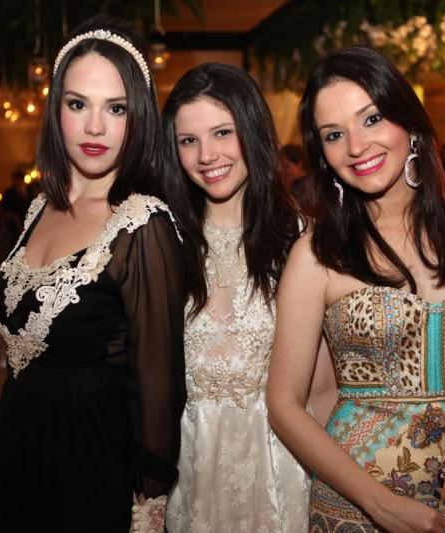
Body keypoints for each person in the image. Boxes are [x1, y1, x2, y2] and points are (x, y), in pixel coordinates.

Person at [267, 46, 445, 533]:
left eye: (371, 119)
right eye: (334, 134)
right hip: (357, 508)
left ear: (408, 120)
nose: (356, 146)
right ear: (322, 154)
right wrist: (382, 506)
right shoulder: (316, 253)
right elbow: (284, 405)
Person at [0, 15, 186, 532]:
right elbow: (30, 364)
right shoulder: (39, 207)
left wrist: (148, 505)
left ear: (138, 117)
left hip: (86, 468)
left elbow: (158, 387)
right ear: (55, 109)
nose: (95, 127)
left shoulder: (142, 224)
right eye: (78, 104)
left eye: (116, 108)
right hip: (15, 454)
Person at [161, 63, 336, 531]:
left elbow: (323, 388)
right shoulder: (161, 244)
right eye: (188, 140)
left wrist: (339, 491)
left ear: (253, 130)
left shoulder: (303, 242)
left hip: (283, 473)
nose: (206, 155)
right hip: (189, 473)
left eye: (223, 132)